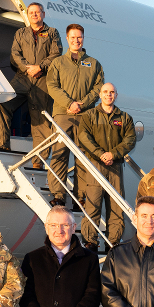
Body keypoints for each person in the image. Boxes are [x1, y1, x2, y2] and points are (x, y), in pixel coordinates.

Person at [0, 2, 62, 167]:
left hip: (43, 79)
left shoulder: (52, 33)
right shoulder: (21, 33)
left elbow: (56, 54)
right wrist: (26, 68)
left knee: (41, 121)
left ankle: (39, 160)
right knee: (2, 102)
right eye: (31, 13)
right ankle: (3, 144)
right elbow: (15, 53)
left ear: (43, 14)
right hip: (23, 77)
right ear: (28, 15)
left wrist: (40, 67)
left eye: (37, 12)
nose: (34, 15)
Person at [46, 23, 104, 207]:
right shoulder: (58, 63)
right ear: (67, 38)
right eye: (72, 37)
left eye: (79, 37)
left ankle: (80, 197)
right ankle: (58, 195)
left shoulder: (93, 63)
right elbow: (52, 86)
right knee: (59, 154)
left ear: (83, 38)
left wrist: (83, 104)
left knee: (83, 157)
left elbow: (98, 88)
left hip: (86, 116)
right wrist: (69, 103)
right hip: (63, 114)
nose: (76, 40)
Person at [77, 83, 136, 251]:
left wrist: (113, 154)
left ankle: (113, 243)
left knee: (116, 206)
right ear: (100, 95)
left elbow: (129, 139)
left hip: (115, 167)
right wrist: (100, 154)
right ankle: (91, 242)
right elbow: (84, 136)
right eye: (105, 92)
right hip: (96, 165)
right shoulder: (90, 116)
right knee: (93, 204)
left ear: (116, 95)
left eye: (111, 92)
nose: (108, 95)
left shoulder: (124, 118)